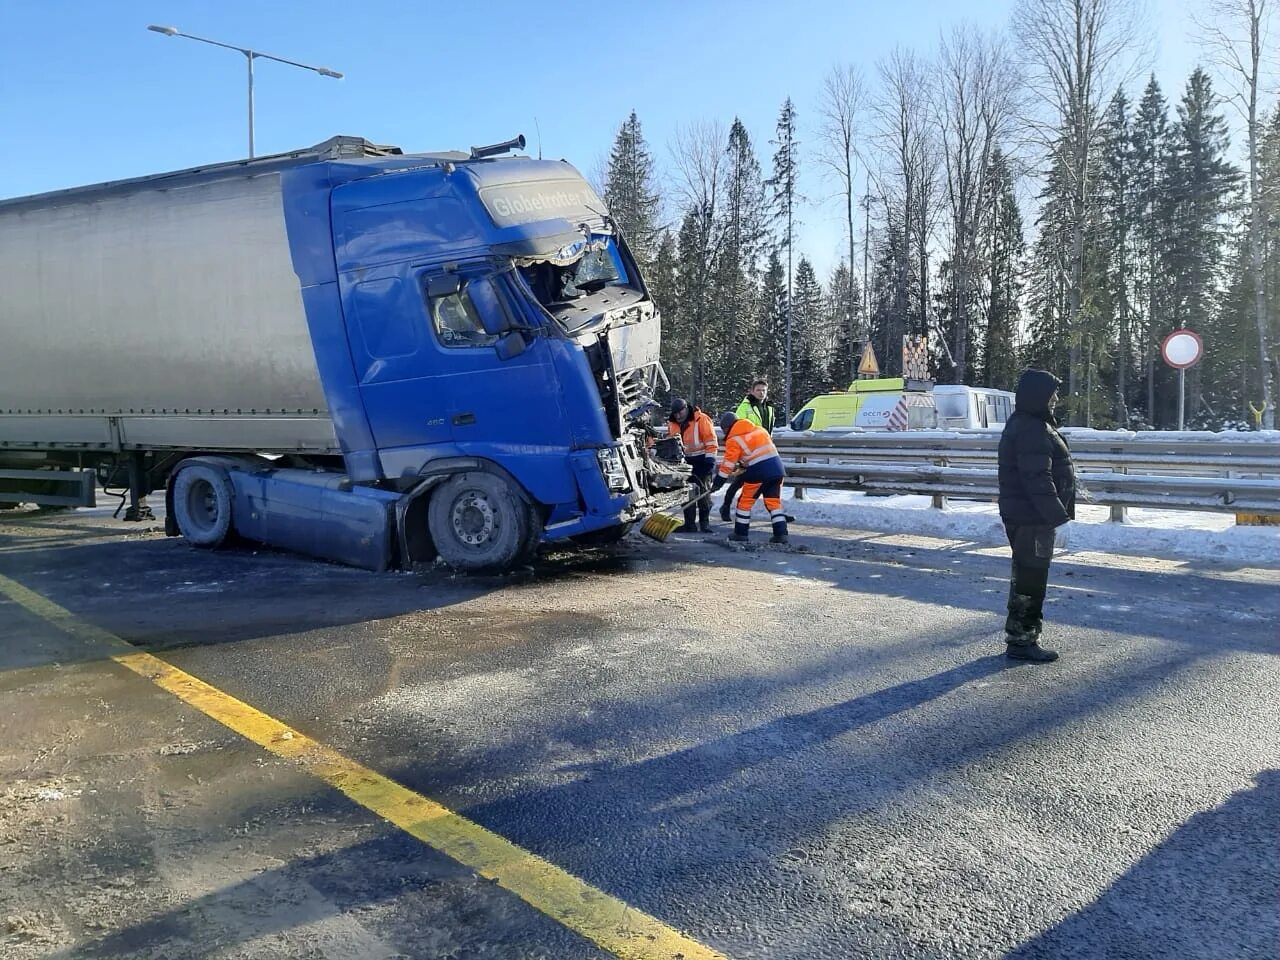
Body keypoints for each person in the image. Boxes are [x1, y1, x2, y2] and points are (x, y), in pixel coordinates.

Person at [997, 369, 1076, 663]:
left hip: (1029, 516)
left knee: (1028, 576)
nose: (1055, 399)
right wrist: (1058, 517)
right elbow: (1037, 479)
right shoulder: (1031, 428)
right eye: (1051, 393)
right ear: (1038, 395)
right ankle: (1022, 641)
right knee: (1030, 578)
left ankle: (1022, 636)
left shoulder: (1031, 424)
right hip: (1032, 518)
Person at [711, 411, 789, 544]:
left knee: (744, 502)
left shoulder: (733, 439)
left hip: (758, 473)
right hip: (777, 470)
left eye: (724, 430)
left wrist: (718, 482)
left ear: (727, 427)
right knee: (773, 502)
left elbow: (728, 465)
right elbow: (755, 451)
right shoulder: (759, 429)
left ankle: (740, 533)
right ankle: (781, 534)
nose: (724, 433)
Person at [720, 379, 776, 521]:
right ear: (752, 391)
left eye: (764, 390)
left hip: (762, 448)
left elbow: (769, 429)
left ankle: (776, 513)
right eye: (758, 390)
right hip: (747, 451)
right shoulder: (745, 407)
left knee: (768, 483)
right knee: (739, 482)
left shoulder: (769, 408)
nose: (761, 393)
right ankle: (726, 506)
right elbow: (735, 428)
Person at [668, 398, 718, 533]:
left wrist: (710, 461)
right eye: (675, 413)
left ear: (686, 408)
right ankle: (689, 524)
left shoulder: (701, 420)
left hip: (702, 461)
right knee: (686, 494)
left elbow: (711, 442)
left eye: (680, 412)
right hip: (684, 463)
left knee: (703, 493)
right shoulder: (672, 423)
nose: (678, 416)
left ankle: (704, 524)